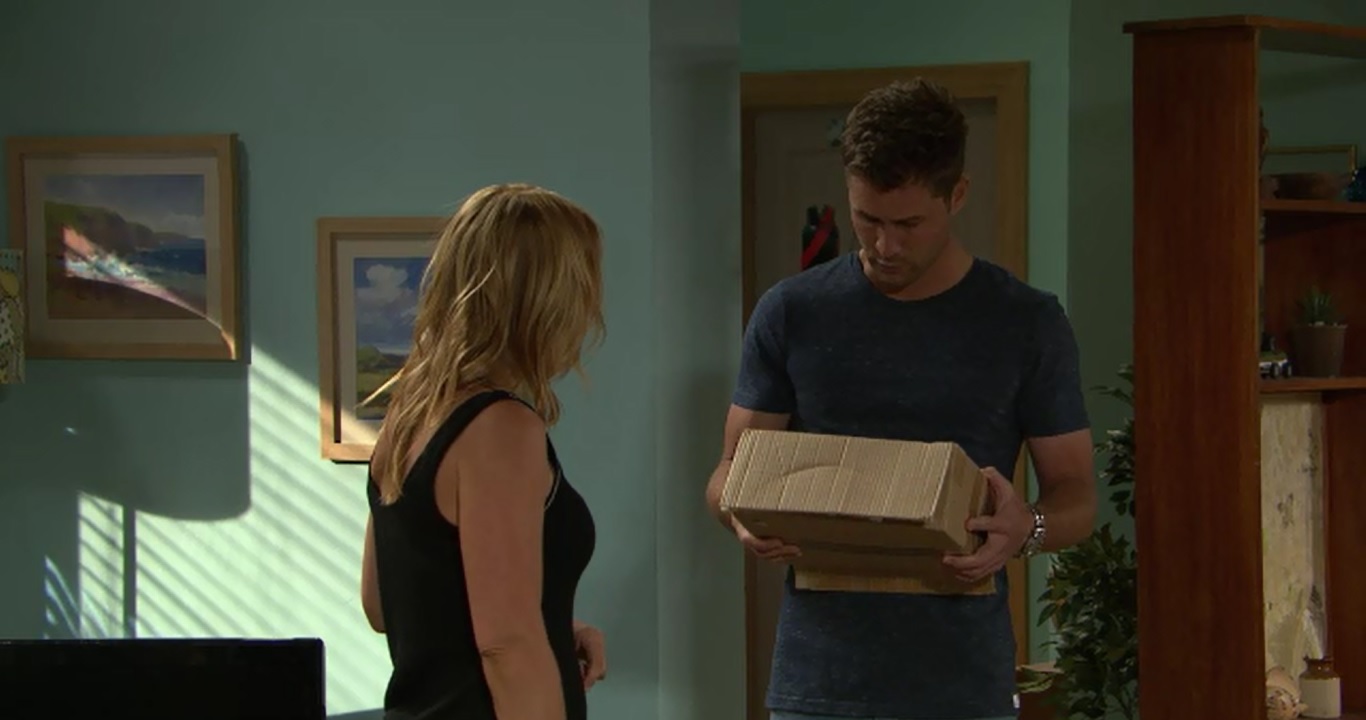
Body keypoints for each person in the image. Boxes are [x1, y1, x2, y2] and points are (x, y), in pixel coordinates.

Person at [705, 79, 1098, 720]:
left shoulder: (1026, 322)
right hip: (818, 683)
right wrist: (740, 516)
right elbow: (727, 472)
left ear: (957, 195)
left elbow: (1076, 495)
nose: (885, 246)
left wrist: (1026, 528)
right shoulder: (792, 311)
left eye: (909, 224)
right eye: (868, 219)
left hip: (961, 684)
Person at [360, 183, 608, 720]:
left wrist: (554, 624)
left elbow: (386, 605)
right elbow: (507, 646)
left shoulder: (411, 412)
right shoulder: (501, 428)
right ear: (548, 300)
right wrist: (527, 631)